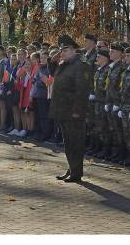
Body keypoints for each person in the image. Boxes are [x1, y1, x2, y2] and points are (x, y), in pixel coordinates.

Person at [49, 35, 91, 183]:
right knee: (68, 142)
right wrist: (53, 58)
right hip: (63, 110)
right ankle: (72, 168)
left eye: (65, 50)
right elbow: (51, 70)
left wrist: (77, 110)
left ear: (74, 50)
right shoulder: (64, 64)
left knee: (75, 142)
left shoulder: (80, 66)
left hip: (73, 112)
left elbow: (82, 91)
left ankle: (76, 172)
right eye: (61, 50)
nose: (62, 53)